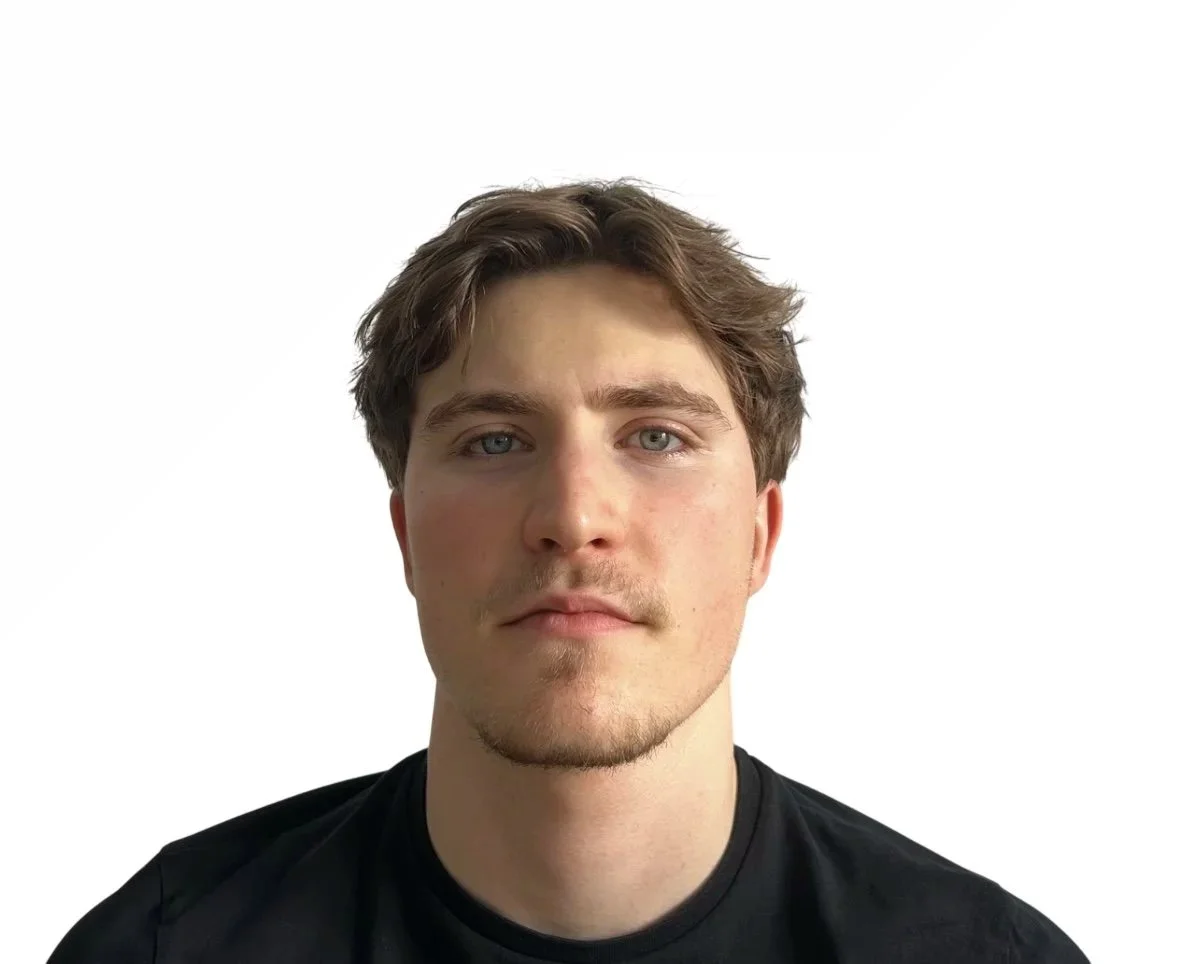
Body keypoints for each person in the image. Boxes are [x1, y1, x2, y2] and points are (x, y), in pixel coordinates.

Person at [48, 177, 1091, 963]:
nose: (573, 518)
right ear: (405, 534)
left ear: (760, 534)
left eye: (656, 436)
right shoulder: (166, 947)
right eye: (495, 440)